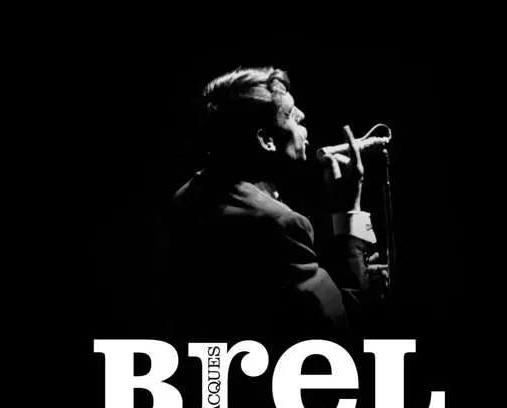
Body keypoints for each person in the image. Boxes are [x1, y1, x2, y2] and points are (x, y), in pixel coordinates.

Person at [165, 66, 387, 353]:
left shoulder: (184, 198)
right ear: (266, 140)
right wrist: (349, 214)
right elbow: (340, 326)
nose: (302, 116)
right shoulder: (280, 225)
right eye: (291, 114)